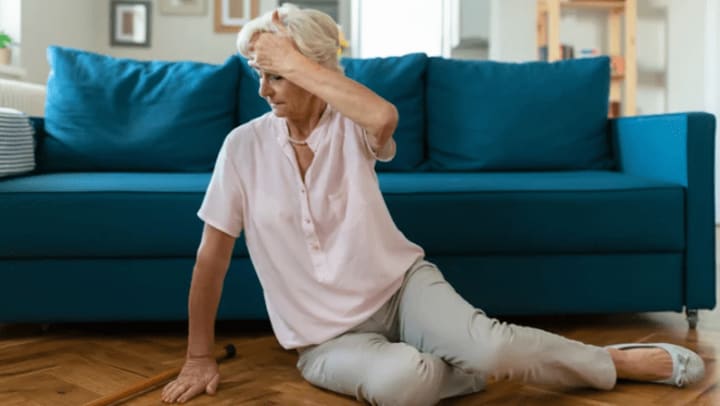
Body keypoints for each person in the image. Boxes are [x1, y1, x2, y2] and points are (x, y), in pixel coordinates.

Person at [161, 4, 705, 405]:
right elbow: (211, 256)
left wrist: (296, 63)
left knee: (491, 351)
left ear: (314, 71)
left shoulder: (351, 122)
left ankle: (611, 360)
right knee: (407, 383)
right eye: (260, 74)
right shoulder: (243, 147)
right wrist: (198, 355)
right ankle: (478, 359)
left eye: (276, 74)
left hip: (401, 289)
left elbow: (383, 119)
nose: (263, 89)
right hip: (323, 339)